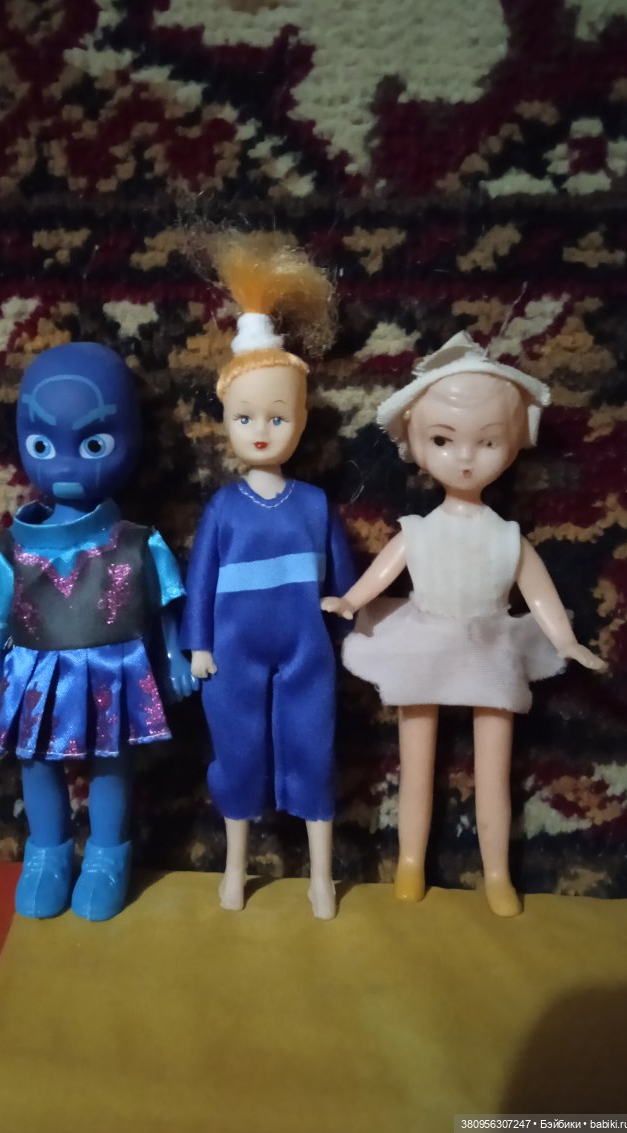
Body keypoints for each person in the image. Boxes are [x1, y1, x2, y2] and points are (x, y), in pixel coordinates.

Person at [322, 331, 605, 917]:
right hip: (424, 639)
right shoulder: (418, 531)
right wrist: (349, 602)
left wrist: (566, 640)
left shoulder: (508, 537)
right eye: (443, 440)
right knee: (416, 765)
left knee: (493, 772)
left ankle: (497, 871)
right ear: (416, 444)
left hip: (489, 643)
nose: (466, 457)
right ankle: (409, 861)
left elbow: (540, 593)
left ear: (513, 444)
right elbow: (381, 574)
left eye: (488, 441)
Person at [0, 343, 195, 921]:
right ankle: (48, 852)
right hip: (36, 668)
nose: (64, 466)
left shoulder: (136, 541)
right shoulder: (16, 544)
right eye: (42, 446)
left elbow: (164, 606)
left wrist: (176, 657)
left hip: (114, 667)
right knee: (36, 759)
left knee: (112, 761)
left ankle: (108, 853)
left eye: (93, 446)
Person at [181, 233, 357, 920]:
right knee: (237, 752)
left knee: (313, 747)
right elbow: (201, 580)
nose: (262, 430)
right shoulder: (223, 509)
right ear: (225, 420)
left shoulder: (313, 504)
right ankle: (235, 867)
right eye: (246, 417)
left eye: (278, 417)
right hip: (231, 651)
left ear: (302, 420)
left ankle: (321, 876)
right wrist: (198, 643)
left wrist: (351, 614)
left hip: (306, 648)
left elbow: (342, 576)